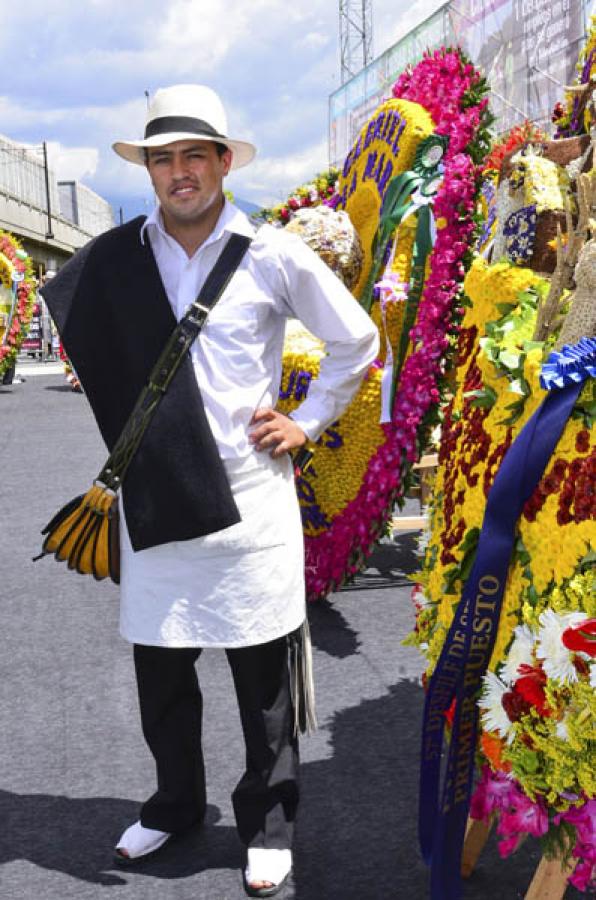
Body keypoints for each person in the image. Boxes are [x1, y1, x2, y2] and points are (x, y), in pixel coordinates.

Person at [41, 84, 379, 897]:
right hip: (159, 493)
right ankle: (175, 804)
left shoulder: (272, 252)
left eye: (196, 155)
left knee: (263, 678)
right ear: (149, 170)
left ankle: (267, 824)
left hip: (250, 500)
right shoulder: (118, 257)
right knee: (161, 669)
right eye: (164, 158)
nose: (180, 172)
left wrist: (308, 420)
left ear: (225, 163)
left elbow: (357, 340)